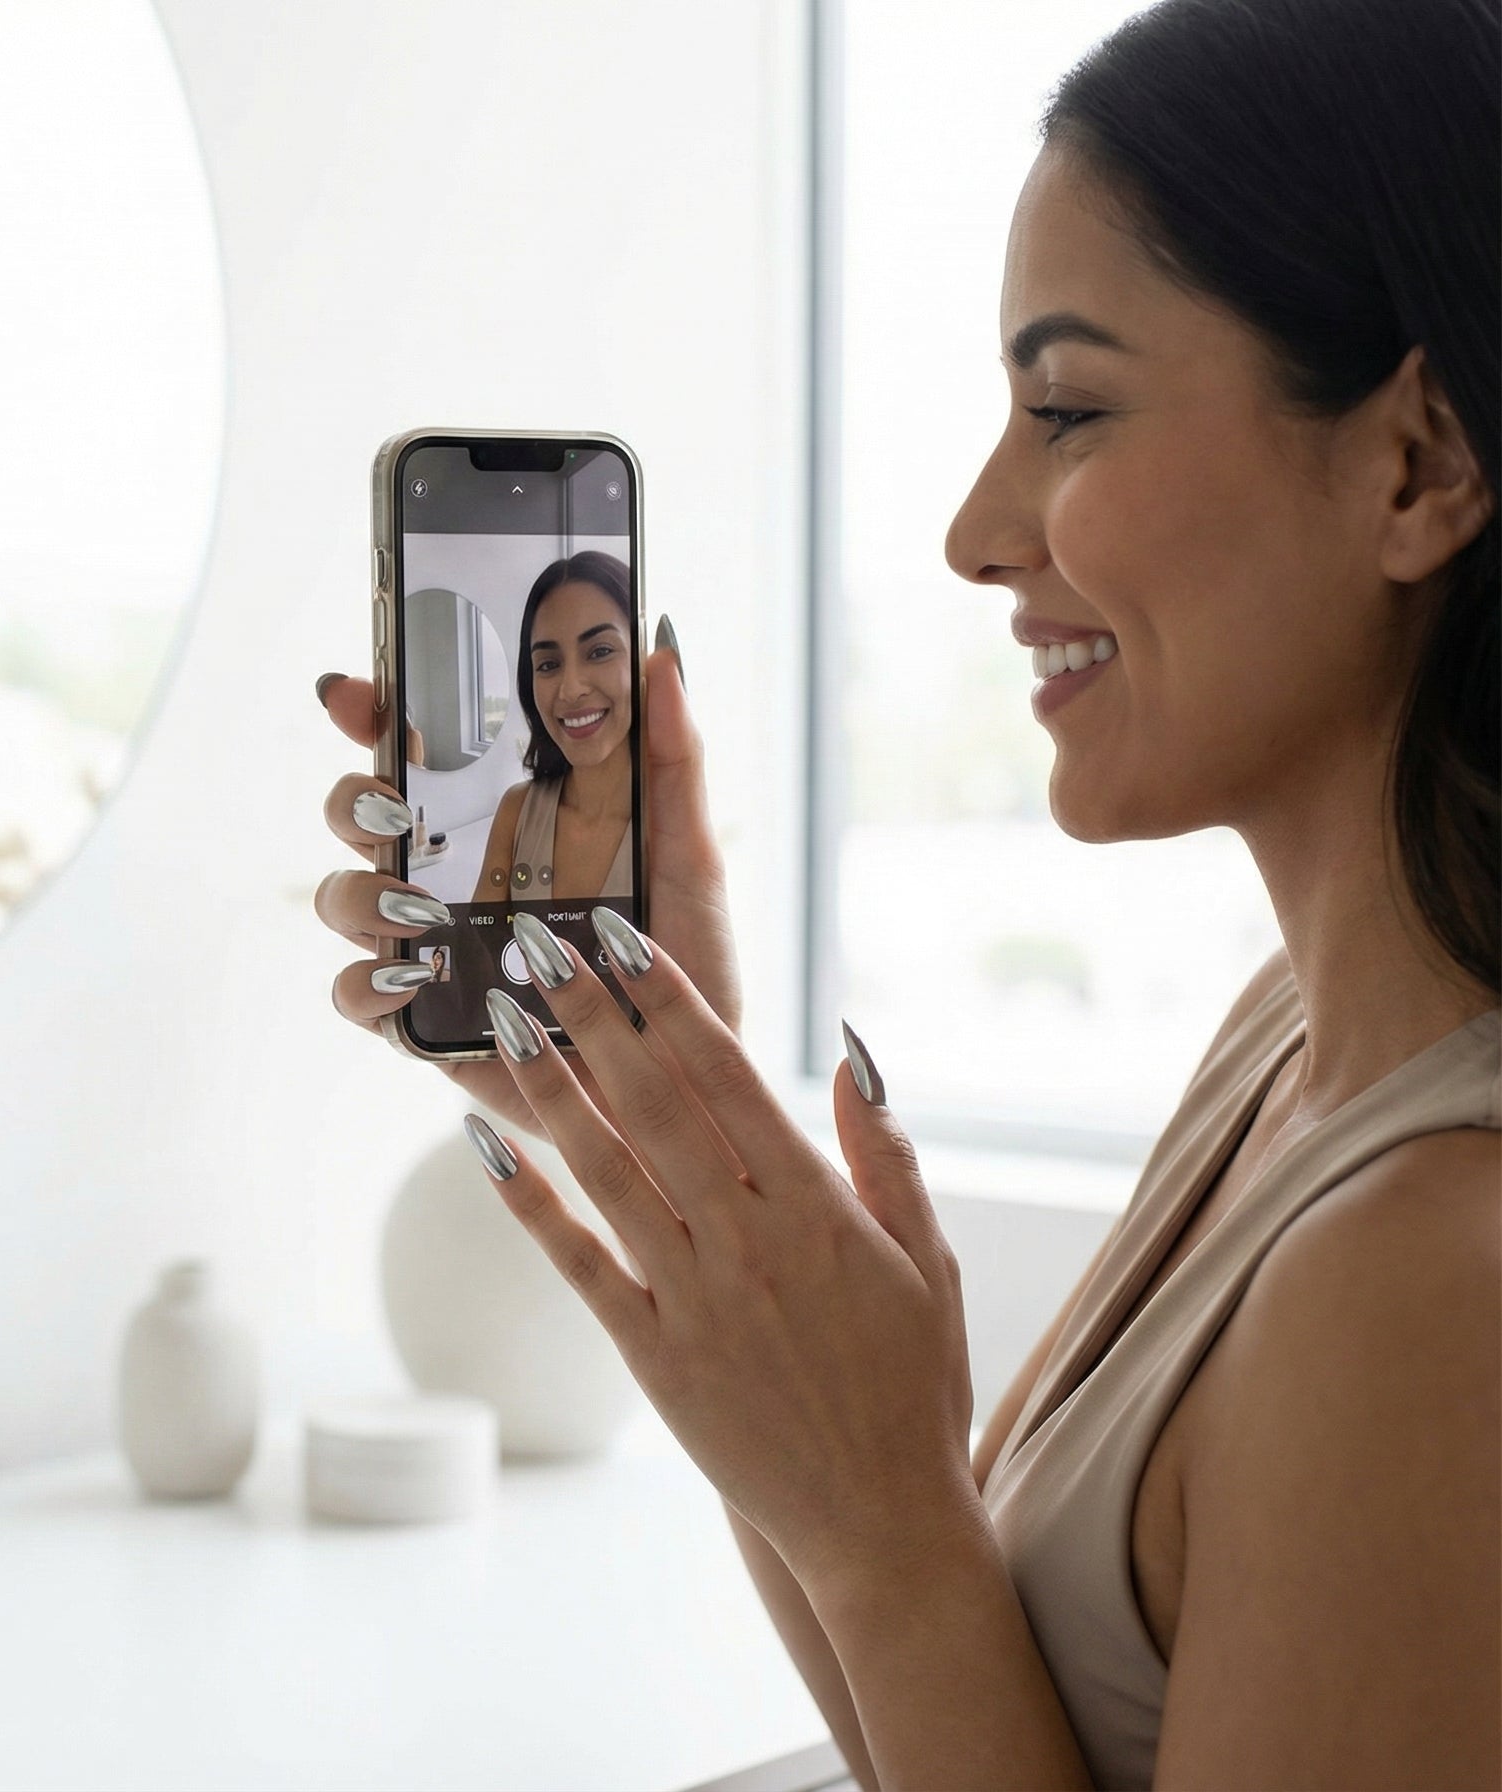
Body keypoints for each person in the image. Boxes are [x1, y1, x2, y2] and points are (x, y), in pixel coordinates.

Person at [311, 0, 1498, 1783]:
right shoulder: (1296, 1042)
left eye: (1070, 410)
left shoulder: (1431, 1279)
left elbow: (908, 1588)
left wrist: (884, 1525)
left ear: (1418, 463)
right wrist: (669, 1121)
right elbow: (948, 1703)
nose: (974, 527)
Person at [470, 551, 637, 903]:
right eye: (548, 664)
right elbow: (475, 954)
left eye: (600, 651)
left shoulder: (673, 827)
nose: (571, 688)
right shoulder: (516, 813)